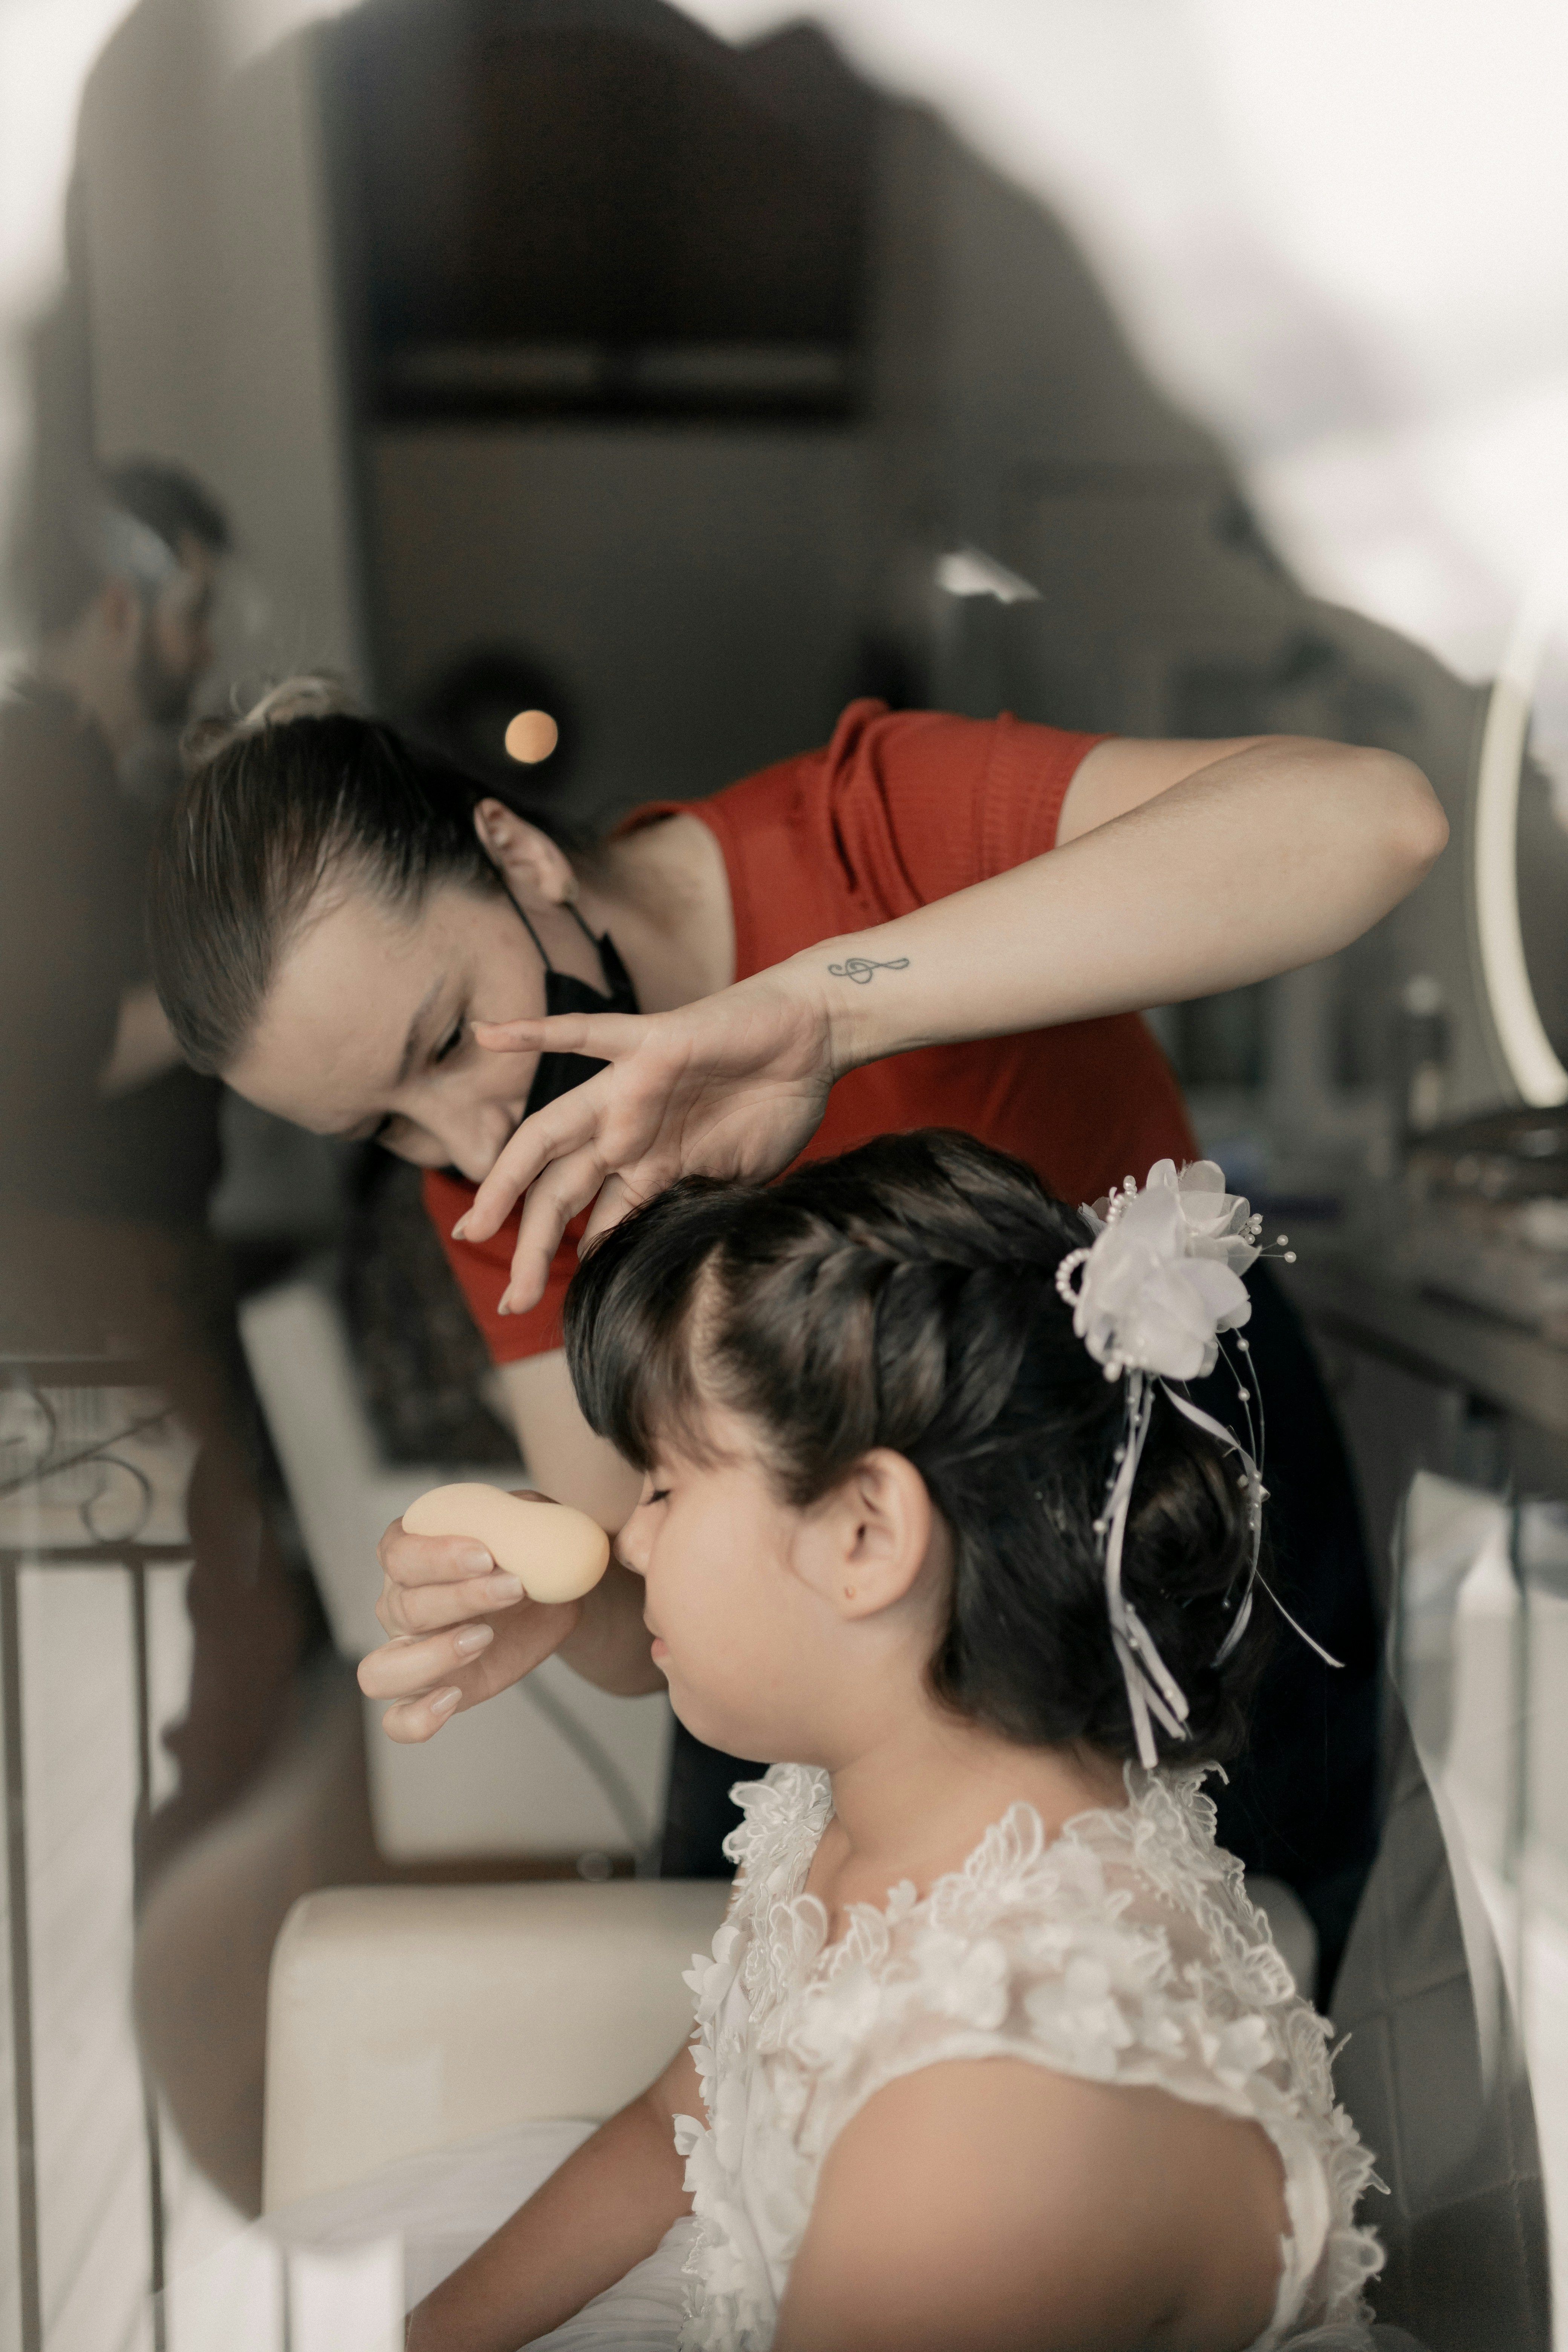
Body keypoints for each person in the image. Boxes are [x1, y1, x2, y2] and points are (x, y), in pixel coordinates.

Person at [147, 683, 1447, 1990]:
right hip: (818, 1643)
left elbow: (1376, 823)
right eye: (385, 1129)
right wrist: (547, 1603)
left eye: (442, 1041)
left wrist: (835, 1009)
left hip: (1161, 1520)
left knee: (1237, 1986)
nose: (466, 1145)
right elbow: (640, 1585)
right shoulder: (509, 1175)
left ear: (519, 853)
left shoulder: (861, 827)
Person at [272, 1132, 1391, 2351]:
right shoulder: (881, 1790)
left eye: (661, 1485)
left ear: (864, 1535)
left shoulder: (994, 2111)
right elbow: (677, 2129)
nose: (630, 1543)